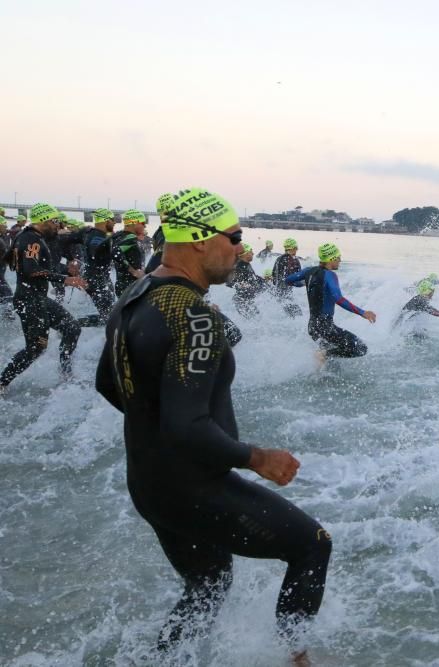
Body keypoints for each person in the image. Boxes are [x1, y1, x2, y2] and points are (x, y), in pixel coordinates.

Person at [94, 188, 331, 660]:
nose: (241, 249)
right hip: (191, 486)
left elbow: (107, 383)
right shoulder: (194, 316)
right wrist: (257, 458)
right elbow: (188, 427)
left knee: (208, 586)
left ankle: (161, 660)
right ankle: (296, 658)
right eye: (236, 236)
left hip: (148, 482)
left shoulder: (136, 293)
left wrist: (157, 428)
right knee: (312, 544)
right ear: (200, 240)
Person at [0, 204, 87, 394]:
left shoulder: (32, 237)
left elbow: (36, 266)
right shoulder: (31, 240)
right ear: (44, 220)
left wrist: (66, 270)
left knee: (72, 328)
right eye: (55, 222)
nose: (58, 226)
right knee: (36, 347)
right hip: (29, 300)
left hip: (37, 298)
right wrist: (65, 279)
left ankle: (66, 374)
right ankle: (2, 382)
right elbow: (31, 270)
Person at [285, 242, 376, 358]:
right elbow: (339, 299)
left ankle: (321, 364)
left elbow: (288, 280)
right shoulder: (330, 275)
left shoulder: (309, 271)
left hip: (313, 327)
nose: (340, 260)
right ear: (331, 258)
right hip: (325, 327)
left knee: (329, 361)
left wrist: (305, 282)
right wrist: (363, 312)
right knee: (361, 348)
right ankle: (324, 355)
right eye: (338, 257)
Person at [77, 207, 118, 327]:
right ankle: (75, 324)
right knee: (109, 316)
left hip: (98, 278)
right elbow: (95, 252)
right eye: (112, 220)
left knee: (110, 312)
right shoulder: (98, 236)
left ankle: (76, 324)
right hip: (96, 280)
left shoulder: (93, 233)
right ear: (106, 220)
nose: (114, 222)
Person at [226, 242, 270, 318]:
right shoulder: (239, 266)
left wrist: (264, 281)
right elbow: (229, 282)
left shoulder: (246, 265)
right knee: (254, 320)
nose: (253, 253)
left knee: (257, 319)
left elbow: (253, 277)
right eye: (250, 251)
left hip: (248, 301)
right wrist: (240, 284)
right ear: (245, 254)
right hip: (242, 301)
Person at [112, 209, 147, 297]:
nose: (145, 226)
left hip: (123, 285)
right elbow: (115, 251)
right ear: (134, 223)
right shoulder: (130, 237)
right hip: (130, 286)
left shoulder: (119, 236)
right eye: (143, 223)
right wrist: (133, 271)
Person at [272, 238, 303, 317]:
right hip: (285, 291)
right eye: (296, 248)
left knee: (288, 311)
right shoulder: (294, 260)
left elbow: (274, 276)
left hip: (279, 291)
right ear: (293, 248)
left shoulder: (279, 259)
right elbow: (299, 276)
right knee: (297, 312)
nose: (297, 250)